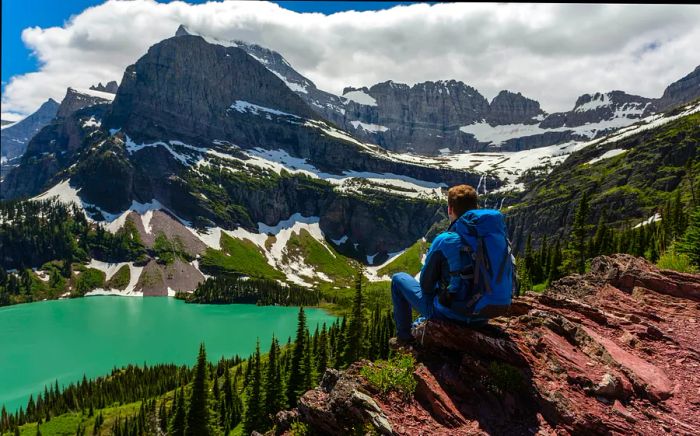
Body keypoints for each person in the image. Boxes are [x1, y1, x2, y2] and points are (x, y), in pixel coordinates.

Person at [390, 184, 515, 348]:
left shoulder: (446, 239)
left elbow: (425, 286)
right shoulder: (495, 237)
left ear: (450, 209)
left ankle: (404, 339)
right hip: (485, 312)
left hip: (454, 314)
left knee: (399, 279)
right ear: (475, 207)